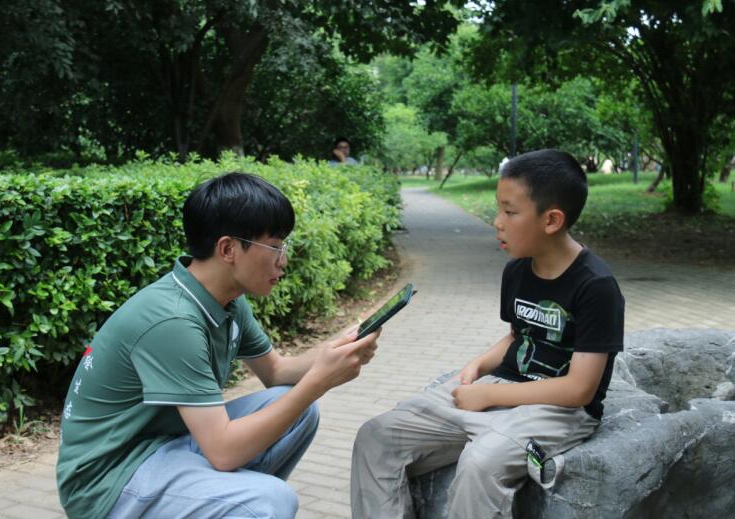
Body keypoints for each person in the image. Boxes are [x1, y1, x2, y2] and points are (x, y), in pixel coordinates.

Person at [56, 172, 381, 519]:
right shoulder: (173, 321)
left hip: (163, 442)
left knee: (298, 411)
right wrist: (318, 382)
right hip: (108, 478)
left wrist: (338, 349)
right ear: (228, 249)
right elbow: (224, 452)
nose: (283, 260)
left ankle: (221, 505)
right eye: (275, 246)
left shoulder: (226, 300)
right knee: (268, 502)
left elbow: (276, 371)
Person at [351, 149, 625, 518]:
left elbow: (580, 389)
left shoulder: (596, 286)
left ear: (551, 220)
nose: (497, 222)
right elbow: (518, 336)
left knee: (481, 462)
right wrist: (479, 365)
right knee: (378, 436)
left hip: (559, 412)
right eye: (499, 209)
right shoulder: (517, 271)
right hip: (500, 388)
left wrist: (487, 395)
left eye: (510, 212)